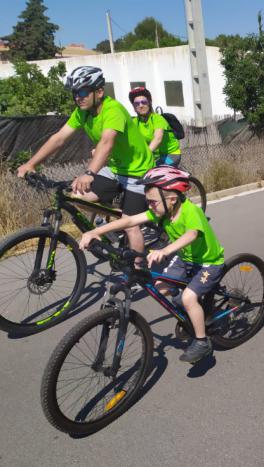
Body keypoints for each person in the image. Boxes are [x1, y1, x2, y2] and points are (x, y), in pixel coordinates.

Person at [79, 166, 226, 363]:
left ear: (172, 199)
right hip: (186, 259)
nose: (149, 206)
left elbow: (192, 234)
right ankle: (193, 314)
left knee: (189, 298)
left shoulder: (191, 211)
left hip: (209, 262)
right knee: (161, 288)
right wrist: (96, 232)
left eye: (152, 202)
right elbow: (130, 220)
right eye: (147, 201)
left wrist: (165, 251)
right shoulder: (162, 211)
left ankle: (201, 341)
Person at [16, 66, 154, 255]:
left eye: (82, 92)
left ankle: (137, 270)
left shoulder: (113, 110)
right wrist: (31, 163)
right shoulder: (83, 112)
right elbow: (59, 138)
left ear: (99, 92)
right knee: (77, 198)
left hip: (139, 172)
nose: (78, 98)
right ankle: (116, 223)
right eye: (75, 93)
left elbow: (106, 143)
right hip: (115, 170)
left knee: (130, 226)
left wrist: (89, 173)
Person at [129, 86, 182, 167]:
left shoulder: (157, 119)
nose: (141, 105)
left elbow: (158, 139)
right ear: (133, 106)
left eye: (144, 102)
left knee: (157, 172)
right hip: (156, 157)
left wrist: (144, 156)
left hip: (171, 155)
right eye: (137, 103)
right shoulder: (135, 122)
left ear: (149, 103)